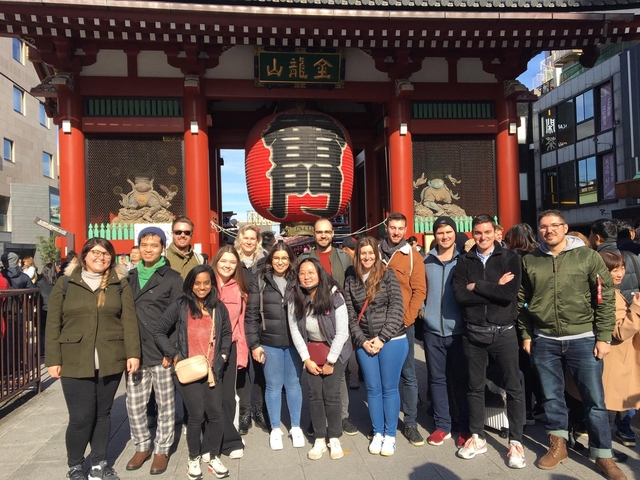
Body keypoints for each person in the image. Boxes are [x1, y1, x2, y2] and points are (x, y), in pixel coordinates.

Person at [518, 209, 626, 479]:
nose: (549, 230)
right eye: (543, 226)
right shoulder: (530, 260)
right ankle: (558, 445)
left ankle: (603, 454)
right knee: (552, 397)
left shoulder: (588, 257)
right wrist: (526, 334)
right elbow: (522, 300)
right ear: (538, 230)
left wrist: (603, 336)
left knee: (595, 400)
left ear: (565, 228)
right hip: (545, 338)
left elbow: (604, 296)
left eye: (555, 225)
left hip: (582, 338)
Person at [45, 238, 141, 480]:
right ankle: (75, 466)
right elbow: (53, 323)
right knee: (80, 417)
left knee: (103, 414)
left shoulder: (120, 284)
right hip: (74, 357)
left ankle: (99, 463)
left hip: (111, 357)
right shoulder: (66, 283)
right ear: (84, 256)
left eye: (106, 253)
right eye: (95, 252)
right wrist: (53, 359)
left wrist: (133, 353)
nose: (101, 257)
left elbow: (129, 321)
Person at [453, 214, 526, 468]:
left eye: (487, 232)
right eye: (477, 233)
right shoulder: (464, 261)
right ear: (472, 234)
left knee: (513, 387)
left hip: (504, 331)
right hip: (473, 332)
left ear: (496, 232)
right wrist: (492, 286)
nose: (482, 238)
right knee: (474, 386)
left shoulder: (510, 258)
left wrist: (478, 286)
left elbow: (508, 295)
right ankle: (477, 436)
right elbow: (461, 296)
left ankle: (516, 442)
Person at [154, 264, 232, 480]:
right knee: (196, 415)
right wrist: (174, 353)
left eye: (207, 283)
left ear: (212, 284)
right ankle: (193, 458)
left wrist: (223, 356)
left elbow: (226, 334)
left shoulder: (219, 307)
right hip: (188, 369)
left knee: (216, 414)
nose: (202, 287)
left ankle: (214, 457)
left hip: (211, 369)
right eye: (197, 283)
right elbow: (159, 331)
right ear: (190, 284)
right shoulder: (180, 305)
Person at [124, 227, 183, 475]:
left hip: (161, 352)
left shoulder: (172, 277)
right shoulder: (128, 278)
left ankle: (162, 449)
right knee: (134, 404)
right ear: (138, 247)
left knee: (165, 404)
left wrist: (172, 350)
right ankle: (142, 445)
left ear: (162, 248)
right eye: (144, 244)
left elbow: (180, 317)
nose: (149, 249)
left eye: (154, 245)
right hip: (135, 351)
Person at [345, 236, 406, 456]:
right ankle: (378, 431)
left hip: (392, 339)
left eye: (371, 253)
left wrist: (382, 338)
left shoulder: (387, 275)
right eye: (363, 253)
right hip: (365, 341)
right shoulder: (351, 278)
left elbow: (397, 308)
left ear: (376, 254)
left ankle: (390, 435)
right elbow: (350, 313)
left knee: (389, 388)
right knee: (372, 388)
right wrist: (361, 340)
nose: (367, 257)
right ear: (357, 255)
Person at [288, 258, 351, 460]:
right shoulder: (294, 297)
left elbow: (342, 332)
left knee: (331, 393)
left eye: (311, 272)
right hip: (312, 350)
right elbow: (295, 331)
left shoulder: (334, 295)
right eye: (302, 273)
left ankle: (334, 437)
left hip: (335, 349)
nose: (306, 276)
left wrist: (331, 361)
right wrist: (306, 359)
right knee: (315, 394)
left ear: (319, 273)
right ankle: (319, 438)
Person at [245, 241, 304, 451]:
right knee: (273, 386)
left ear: (290, 260)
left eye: (285, 258)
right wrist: (254, 344)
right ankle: (276, 428)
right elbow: (251, 315)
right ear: (270, 260)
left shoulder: (297, 280)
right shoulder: (259, 280)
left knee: (294, 385)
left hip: (295, 342)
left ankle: (296, 426)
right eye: (276, 258)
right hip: (268, 341)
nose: (280, 262)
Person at [299, 218, 356, 436]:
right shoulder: (305, 258)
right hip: (313, 322)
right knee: (316, 377)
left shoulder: (343, 257)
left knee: (341, 373)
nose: (323, 235)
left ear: (333, 234)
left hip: (339, 321)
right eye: (319, 232)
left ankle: (342, 416)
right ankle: (319, 419)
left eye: (327, 232)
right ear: (313, 234)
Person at [421, 216, 470, 448]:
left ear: (455, 233)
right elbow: (419, 289)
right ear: (435, 235)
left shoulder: (465, 260)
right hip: (432, 331)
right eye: (440, 232)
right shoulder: (426, 261)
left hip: (459, 331)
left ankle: (464, 426)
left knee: (461, 380)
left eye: (449, 231)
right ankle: (442, 425)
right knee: (437, 379)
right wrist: (423, 311)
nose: (445, 236)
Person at [378, 213, 427, 446]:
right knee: (380, 378)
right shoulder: (374, 251)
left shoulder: (412, 256)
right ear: (386, 227)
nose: (396, 232)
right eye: (392, 227)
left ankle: (410, 422)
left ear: (406, 229)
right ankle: (381, 422)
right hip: (375, 325)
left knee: (408, 374)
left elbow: (419, 291)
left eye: (400, 228)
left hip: (402, 326)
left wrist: (407, 319)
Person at [210, 245, 248, 459]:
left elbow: (240, 324)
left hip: (230, 346)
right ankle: (211, 438)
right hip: (206, 347)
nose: (227, 265)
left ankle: (230, 439)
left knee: (227, 395)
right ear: (216, 261)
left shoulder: (239, 288)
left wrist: (241, 353)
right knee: (208, 395)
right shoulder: (205, 282)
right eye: (223, 261)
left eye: (232, 262)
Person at [234, 224, 269, 434]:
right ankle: (244, 412)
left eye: (252, 238)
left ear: (257, 241)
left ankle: (260, 410)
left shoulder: (265, 262)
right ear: (240, 239)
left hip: (261, 320)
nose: (249, 241)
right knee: (242, 368)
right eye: (245, 238)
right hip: (239, 321)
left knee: (260, 368)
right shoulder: (233, 261)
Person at [589, 218, 640, 302]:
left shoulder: (595, 260)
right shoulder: (632, 256)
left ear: (597, 238)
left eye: (590, 235)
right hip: (633, 308)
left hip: (609, 309)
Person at [36, 263, 57, 353]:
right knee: (55, 331)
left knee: (42, 331)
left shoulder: (39, 284)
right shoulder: (58, 283)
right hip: (56, 310)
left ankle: (42, 350)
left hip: (43, 310)